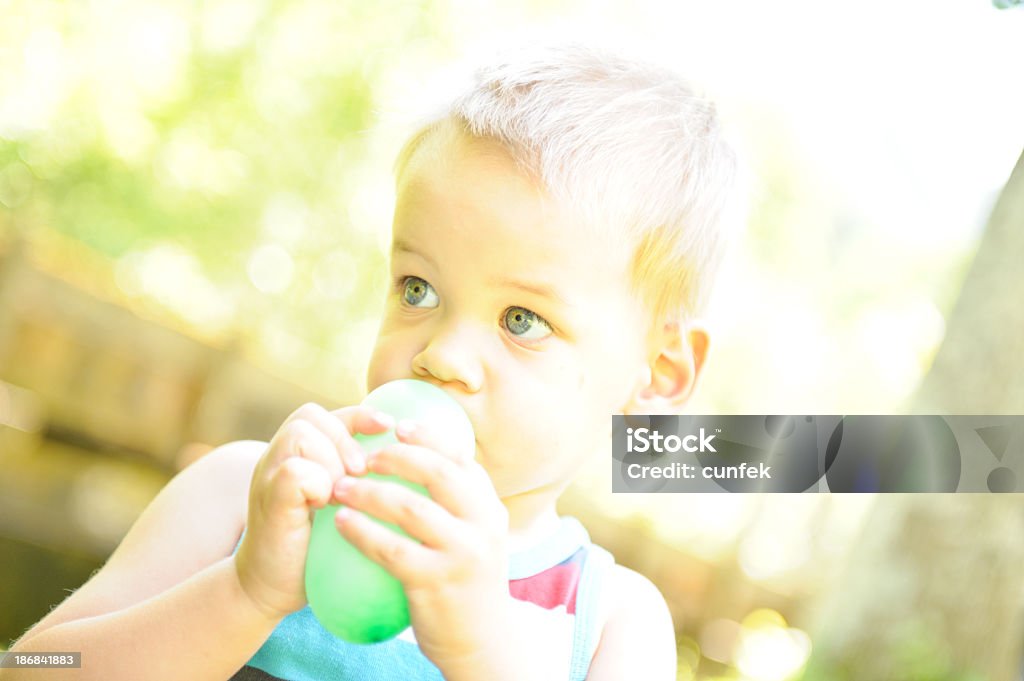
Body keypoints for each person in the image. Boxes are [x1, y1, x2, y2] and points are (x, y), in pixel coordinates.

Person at [4, 42, 740, 680]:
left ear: (661, 370)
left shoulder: (609, 620)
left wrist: (485, 649)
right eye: (417, 288)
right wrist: (243, 592)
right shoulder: (242, 494)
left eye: (523, 320)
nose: (443, 353)